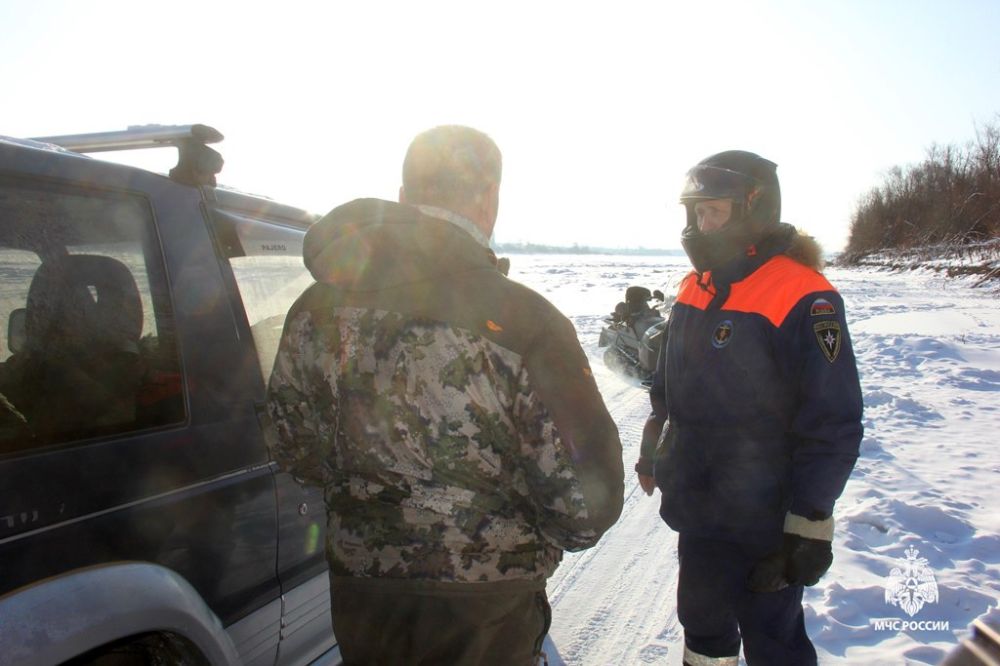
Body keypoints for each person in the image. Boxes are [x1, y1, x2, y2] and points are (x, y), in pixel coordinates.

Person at [266, 125, 624, 665]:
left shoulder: (313, 308)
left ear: (405, 198)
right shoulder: (524, 320)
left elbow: (293, 445)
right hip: (483, 606)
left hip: (363, 591)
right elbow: (583, 506)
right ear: (490, 198)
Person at [636, 150, 863, 665]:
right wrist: (654, 447)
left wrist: (809, 525)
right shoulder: (696, 286)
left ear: (751, 209)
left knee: (773, 639)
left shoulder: (806, 296)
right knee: (702, 625)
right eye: (693, 213)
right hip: (700, 505)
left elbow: (834, 420)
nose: (698, 225)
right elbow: (667, 385)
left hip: (765, 519)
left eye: (712, 211)